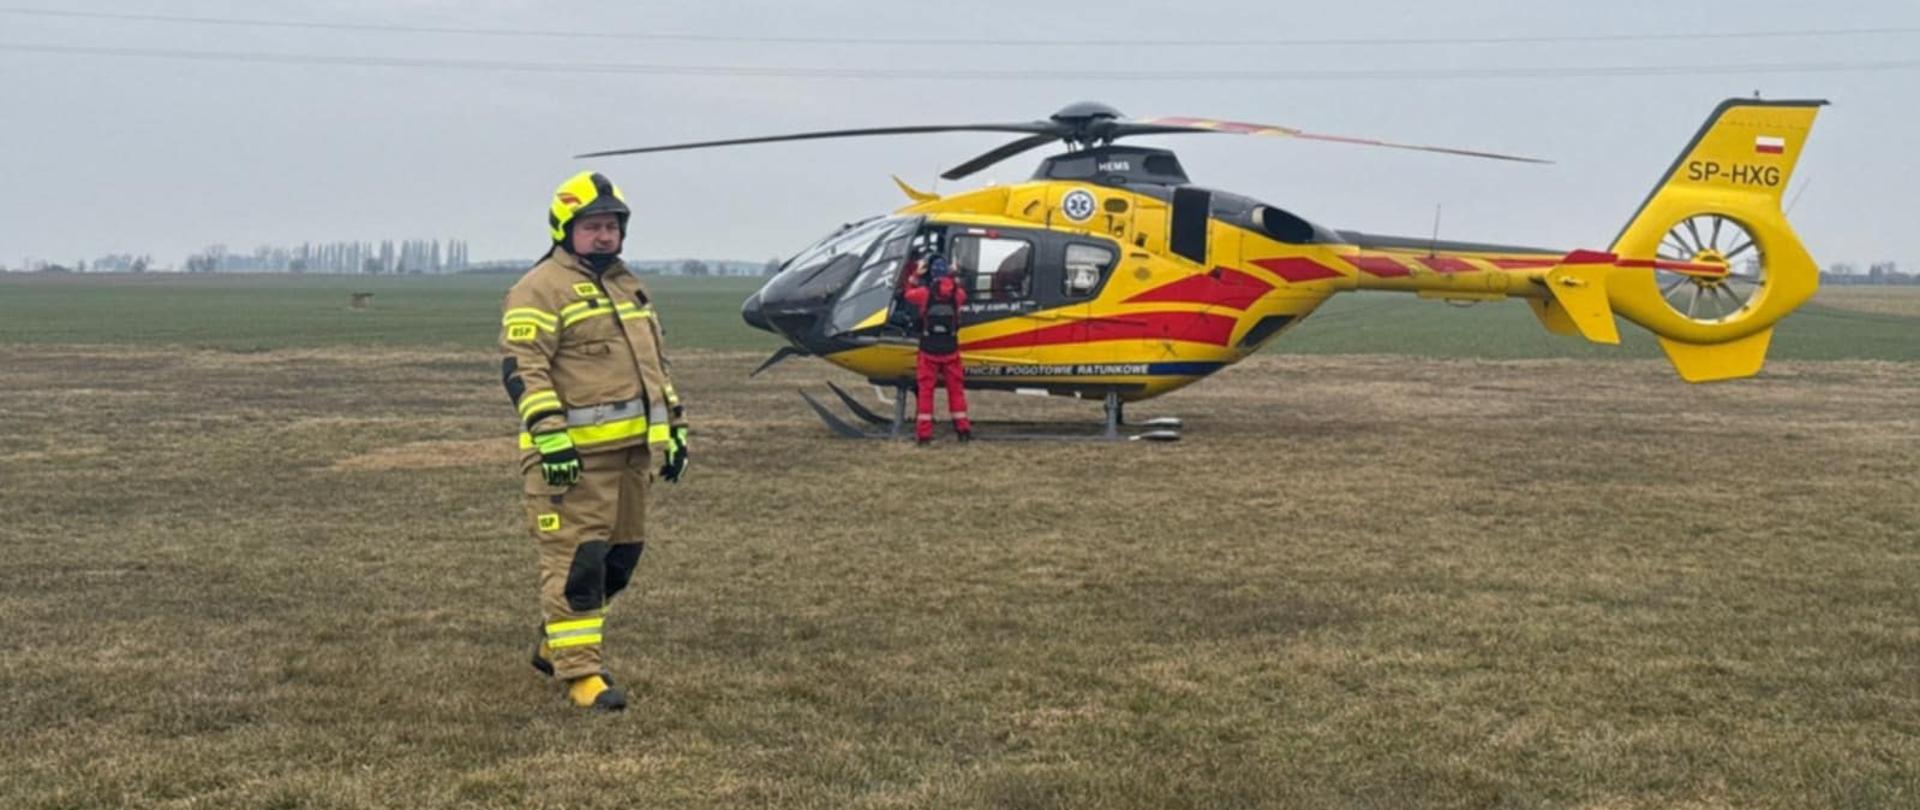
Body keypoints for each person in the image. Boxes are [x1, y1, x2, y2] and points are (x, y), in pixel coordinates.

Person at [498, 171, 690, 712]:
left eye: (611, 226)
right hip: (572, 461)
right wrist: (551, 439)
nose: (604, 236)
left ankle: (552, 646)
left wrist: (675, 429)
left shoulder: (629, 286)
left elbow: (655, 367)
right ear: (566, 228)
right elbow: (522, 367)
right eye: (592, 226)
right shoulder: (538, 288)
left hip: (631, 456)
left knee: (619, 561)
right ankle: (582, 675)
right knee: (578, 565)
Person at [902, 253, 972, 444]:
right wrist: (952, 276)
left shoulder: (924, 293)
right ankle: (963, 430)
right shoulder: (957, 294)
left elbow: (907, 294)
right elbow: (963, 294)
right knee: (956, 391)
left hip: (928, 350)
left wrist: (914, 276)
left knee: (926, 392)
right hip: (950, 349)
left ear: (931, 272)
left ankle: (924, 435)